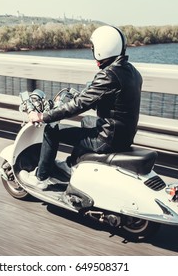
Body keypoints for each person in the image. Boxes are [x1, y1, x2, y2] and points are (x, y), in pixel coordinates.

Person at [20, 25, 143, 190]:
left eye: (93, 48)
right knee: (87, 121)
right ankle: (72, 165)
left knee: (52, 129)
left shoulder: (108, 75)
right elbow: (114, 101)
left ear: (101, 49)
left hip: (107, 140)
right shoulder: (132, 71)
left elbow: (78, 105)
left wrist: (44, 116)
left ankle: (40, 178)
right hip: (123, 134)